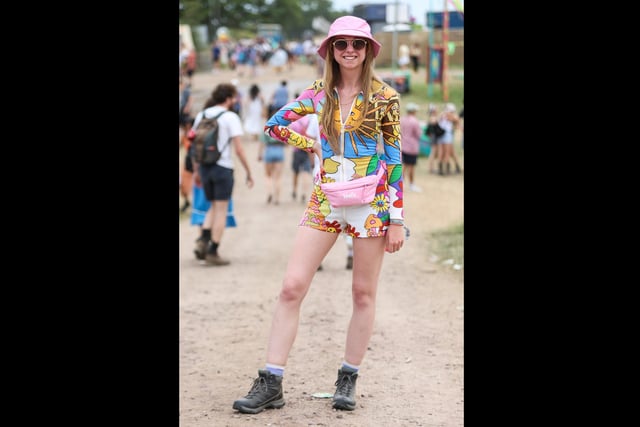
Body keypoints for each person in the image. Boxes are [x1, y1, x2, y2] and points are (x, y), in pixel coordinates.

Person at [232, 15, 405, 414]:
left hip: (371, 204)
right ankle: (271, 380)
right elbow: (275, 125)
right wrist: (309, 143)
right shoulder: (316, 94)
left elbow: (394, 159)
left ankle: (348, 376)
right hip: (325, 199)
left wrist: (396, 218)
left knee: (362, 292)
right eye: (341, 43)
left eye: (357, 44)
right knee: (292, 285)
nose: (349, 50)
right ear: (329, 50)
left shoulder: (384, 97)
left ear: (368, 50)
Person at [191, 83, 255, 265]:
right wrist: (249, 171)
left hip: (204, 167)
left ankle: (203, 239)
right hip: (222, 167)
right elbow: (239, 149)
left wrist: (196, 170)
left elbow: (195, 145)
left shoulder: (202, 115)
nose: (235, 101)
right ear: (228, 98)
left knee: (212, 205)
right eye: (234, 98)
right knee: (221, 209)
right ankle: (213, 250)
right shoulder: (230, 117)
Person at [258, 105, 286, 205]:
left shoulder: (267, 125)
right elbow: (286, 141)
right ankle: (277, 199)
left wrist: (259, 154)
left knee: (268, 175)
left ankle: (269, 193)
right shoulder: (281, 126)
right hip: (279, 150)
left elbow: (262, 142)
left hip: (269, 150)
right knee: (278, 177)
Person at [400, 102, 423, 192]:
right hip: (412, 147)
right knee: (411, 167)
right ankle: (412, 184)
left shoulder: (402, 119)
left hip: (403, 145)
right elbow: (418, 134)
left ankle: (401, 183)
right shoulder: (414, 121)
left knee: (404, 166)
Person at [437, 103, 462, 175]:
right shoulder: (449, 115)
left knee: (446, 153)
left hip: (442, 136)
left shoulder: (443, 115)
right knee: (447, 153)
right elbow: (457, 120)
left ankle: (442, 169)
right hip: (447, 136)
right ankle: (446, 170)